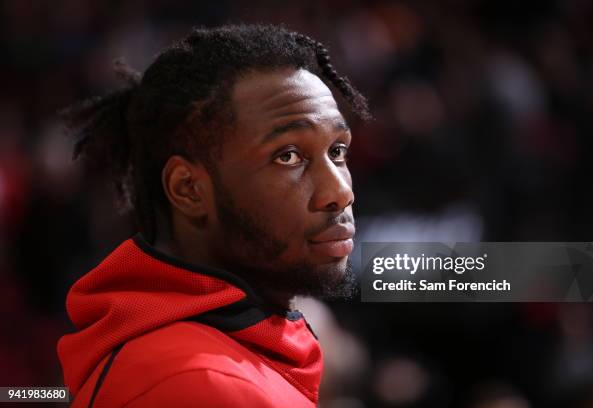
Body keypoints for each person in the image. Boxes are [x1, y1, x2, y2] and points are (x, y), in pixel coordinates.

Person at [57, 24, 370, 407]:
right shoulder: (200, 385)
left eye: (337, 151)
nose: (340, 191)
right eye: (288, 156)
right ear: (188, 188)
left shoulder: (191, 357)